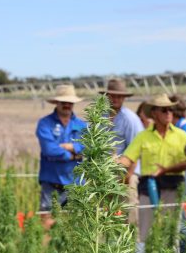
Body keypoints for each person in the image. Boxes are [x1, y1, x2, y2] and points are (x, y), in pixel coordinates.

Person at [119, 94, 186, 252]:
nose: (169, 113)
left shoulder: (181, 135)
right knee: (145, 231)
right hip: (148, 188)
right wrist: (114, 164)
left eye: (171, 109)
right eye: (164, 110)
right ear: (154, 113)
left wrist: (167, 170)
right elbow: (128, 158)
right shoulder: (143, 136)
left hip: (173, 187)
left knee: (173, 230)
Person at [99, 78, 143, 226]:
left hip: (126, 175)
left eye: (119, 96)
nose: (116, 99)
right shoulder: (100, 117)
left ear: (124, 97)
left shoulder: (130, 119)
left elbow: (135, 151)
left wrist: (126, 178)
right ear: (107, 96)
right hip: (104, 175)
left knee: (127, 217)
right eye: (112, 95)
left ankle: (131, 247)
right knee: (103, 217)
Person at [36, 84, 87, 212]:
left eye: (70, 102)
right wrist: (72, 155)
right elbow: (49, 149)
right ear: (57, 103)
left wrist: (72, 146)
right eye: (63, 102)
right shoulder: (45, 123)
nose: (67, 105)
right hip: (51, 185)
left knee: (77, 226)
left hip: (76, 185)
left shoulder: (81, 125)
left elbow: (88, 146)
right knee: (47, 222)